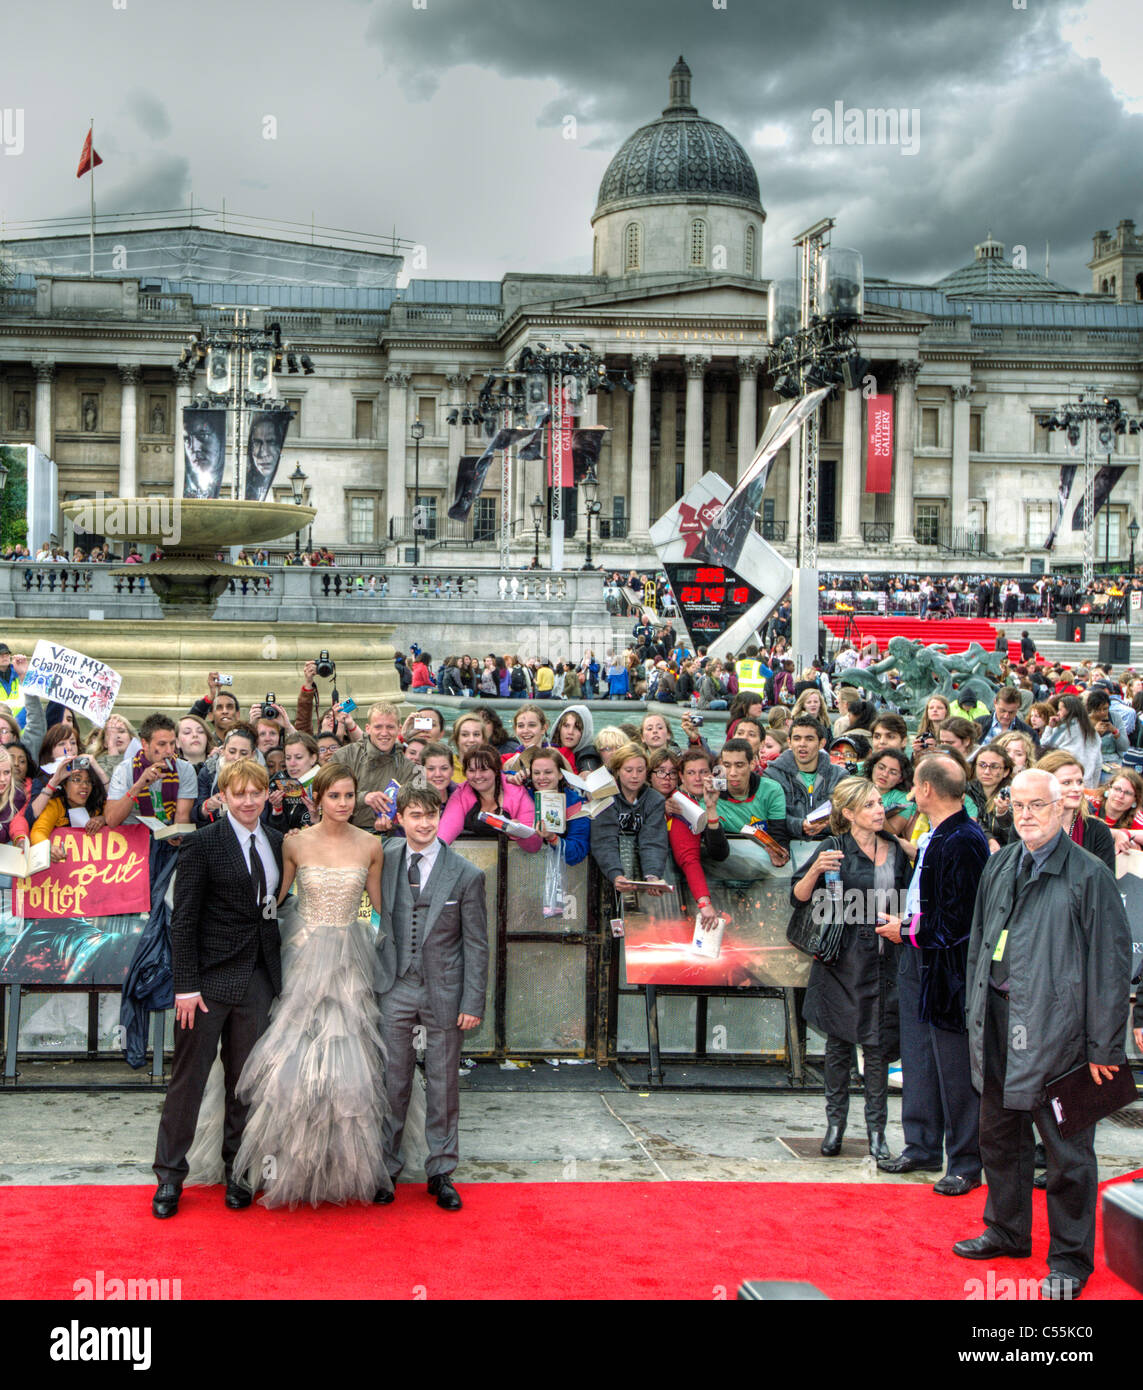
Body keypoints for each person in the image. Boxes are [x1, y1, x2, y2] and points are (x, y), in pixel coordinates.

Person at [955, 769, 1132, 1298]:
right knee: (999, 1136)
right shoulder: (1002, 862)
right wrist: (974, 1010)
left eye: (1037, 805)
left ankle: (1071, 1261)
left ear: (1062, 809)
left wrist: (1105, 1045)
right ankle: (1007, 1230)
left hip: (1064, 1035)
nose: (1026, 814)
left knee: (1068, 1153)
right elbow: (981, 941)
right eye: (1018, 805)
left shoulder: (1089, 874)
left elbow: (1112, 963)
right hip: (999, 1023)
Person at [151, 759, 285, 1218]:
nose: (249, 801)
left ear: (267, 794)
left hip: (257, 981)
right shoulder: (202, 844)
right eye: (239, 792)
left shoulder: (276, 841)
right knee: (187, 1082)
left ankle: (240, 1174)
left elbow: (271, 912)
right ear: (223, 795)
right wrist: (185, 987)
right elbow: (183, 921)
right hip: (206, 984)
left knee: (244, 1085)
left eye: (256, 792)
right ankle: (169, 1177)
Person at [876, 754, 990, 1194]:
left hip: (947, 968)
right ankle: (921, 1145)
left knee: (955, 1068)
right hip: (919, 959)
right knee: (918, 1056)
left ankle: (965, 1161)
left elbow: (959, 920)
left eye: (914, 786)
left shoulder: (963, 838)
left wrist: (906, 931)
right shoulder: (939, 833)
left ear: (925, 789)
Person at [375, 784, 488, 1211]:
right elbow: (364, 904)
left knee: (443, 1085)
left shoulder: (466, 873)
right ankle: (385, 1169)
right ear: (400, 817)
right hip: (394, 984)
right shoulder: (382, 858)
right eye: (414, 815)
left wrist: (472, 1002)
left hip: (444, 989)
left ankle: (441, 1172)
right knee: (391, 1081)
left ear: (440, 817)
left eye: (430, 815)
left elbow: (477, 944)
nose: (423, 823)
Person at [792, 776, 912, 1160]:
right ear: (848, 813)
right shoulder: (834, 846)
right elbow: (798, 896)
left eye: (880, 803)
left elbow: (908, 898)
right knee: (838, 1047)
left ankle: (877, 1131)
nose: (880, 810)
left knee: (877, 1048)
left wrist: (902, 925)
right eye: (870, 805)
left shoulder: (894, 849)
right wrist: (814, 871)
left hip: (882, 959)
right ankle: (835, 1125)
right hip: (840, 959)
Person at [589, 743, 670, 900]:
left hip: (639, 869)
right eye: (628, 770)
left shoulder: (655, 800)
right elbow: (604, 840)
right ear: (618, 771)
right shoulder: (605, 797)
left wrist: (653, 876)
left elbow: (653, 841)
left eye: (640, 770)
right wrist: (616, 874)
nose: (635, 776)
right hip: (605, 870)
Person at [765, 716, 847, 870]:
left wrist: (826, 823)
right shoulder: (772, 775)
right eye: (797, 738)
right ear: (789, 742)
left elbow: (847, 815)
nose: (802, 744)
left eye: (809, 739)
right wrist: (799, 825)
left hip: (831, 855)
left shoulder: (839, 776)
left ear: (821, 743)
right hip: (788, 857)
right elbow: (769, 816)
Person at [329, 703, 419, 832]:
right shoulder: (344, 756)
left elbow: (414, 811)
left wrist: (392, 824)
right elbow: (324, 792)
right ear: (368, 728)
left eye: (390, 727)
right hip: (343, 831)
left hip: (388, 837)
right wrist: (363, 798)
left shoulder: (410, 769)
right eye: (378, 727)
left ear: (399, 729)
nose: (384, 733)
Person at [438, 744, 542, 850]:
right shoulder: (461, 794)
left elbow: (534, 846)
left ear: (496, 770)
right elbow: (443, 837)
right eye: (471, 770)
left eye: (483, 770)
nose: (477, 776)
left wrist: (517, 832)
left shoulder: (518, 794)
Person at [1032, 749, 1115, 870]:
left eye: (1079, 782)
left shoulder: (1097, 831)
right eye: (1067, 782)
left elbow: (1106, 882)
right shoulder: (1027, 825)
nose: (1077, 789)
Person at [1037, 694, 1102, 787]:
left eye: (1060, 710)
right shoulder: (1092, 732)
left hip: (1065, 780)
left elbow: (1044, 745)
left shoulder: (1063, 729)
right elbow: (1098, 762)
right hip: (1086, 782)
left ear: (1069, 710)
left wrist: (1050, 727)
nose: (1058, 713)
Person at [1092, 768, 1143, 851]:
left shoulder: (1137, 817)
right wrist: (1117, 834)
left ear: (1135, 800)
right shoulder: (1091, 803)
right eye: (1117, 789)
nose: (1120, 796)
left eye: (1128, 793)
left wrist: (1126, 833)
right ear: (1109, 789)